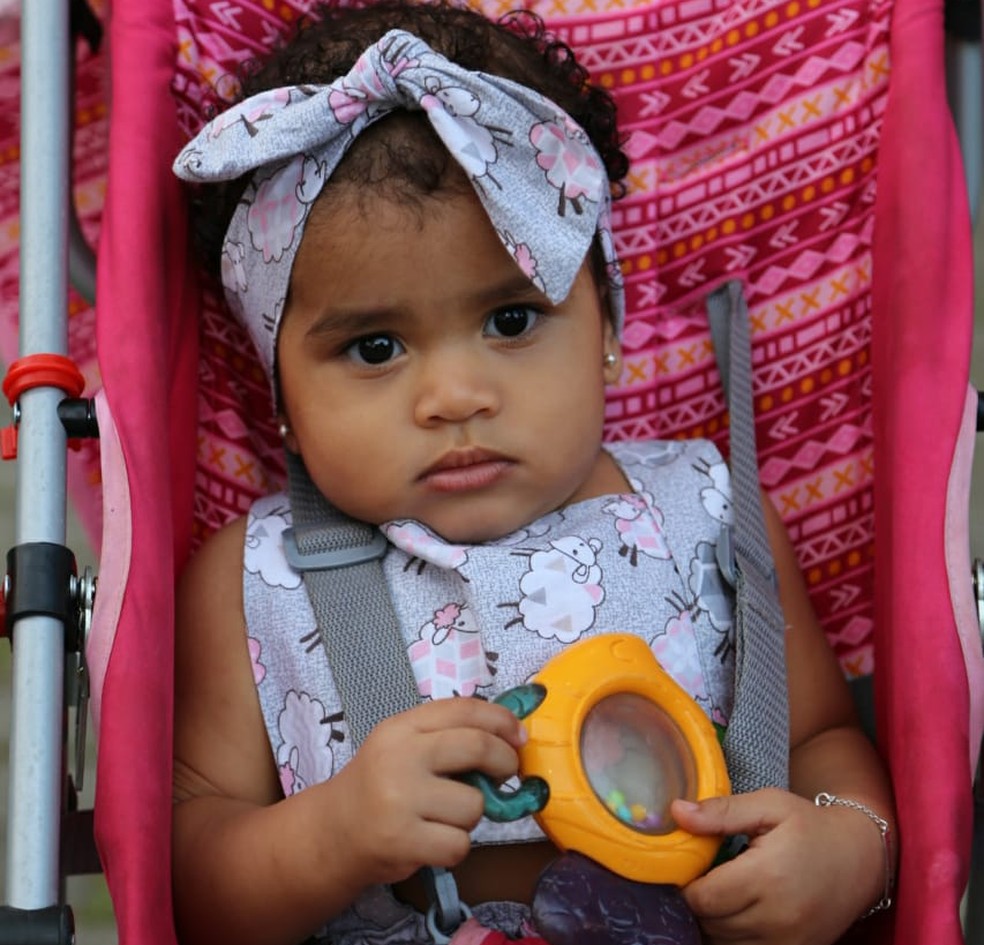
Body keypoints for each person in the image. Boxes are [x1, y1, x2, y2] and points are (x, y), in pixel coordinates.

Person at [170, 3, 897, 944]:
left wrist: (849, 849)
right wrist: (331, 834)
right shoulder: (252, 579)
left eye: (512, 320)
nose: (456, 394)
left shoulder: (706, 509)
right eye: (375, 345)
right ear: (282, 396)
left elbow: (821, 739)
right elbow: (188, 876)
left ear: (607, 325)